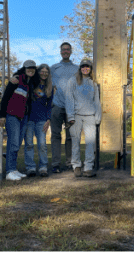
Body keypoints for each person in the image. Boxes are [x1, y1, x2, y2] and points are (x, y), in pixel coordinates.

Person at [0, 60, 38, 181]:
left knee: (18, 144)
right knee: (13, 143)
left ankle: (14, 169)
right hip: (12, 115)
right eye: (28, 68)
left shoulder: (30, 83)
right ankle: (9, 171)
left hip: (24, 117)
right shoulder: (16, 80)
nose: (31, 70)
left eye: (33, 68)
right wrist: (2, 115)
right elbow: (5, 97)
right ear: (24, 68)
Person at [64, 59, 101, 177]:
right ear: (80, 68)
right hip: (76, 116)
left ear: (90, 68)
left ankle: (88, 167)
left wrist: (97, 116)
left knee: (90, 143)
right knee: (75, 142)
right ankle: (76, 166)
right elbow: (69, 99)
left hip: (90, 116)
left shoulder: (93, 83)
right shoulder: (73, 81)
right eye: (83, 66)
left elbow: (97, 101)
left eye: (88, 66)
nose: (85, 68)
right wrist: (70, 116)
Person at [49, 42, 78, 174]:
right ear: (60, 52)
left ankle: (70, 162)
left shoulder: (77, 69)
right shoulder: (54, 68)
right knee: (55, 135)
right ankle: (55, 164)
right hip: (57, 106)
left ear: (71, 51)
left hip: (71, 108)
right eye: (63, 50)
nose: (65, 51)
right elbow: (40, 78)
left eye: (68, 49)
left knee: (70, 136)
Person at [24, 64, 55, 177]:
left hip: (42, 119)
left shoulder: (49, 87)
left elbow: (49, 105)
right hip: (29, 118)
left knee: (42, 144)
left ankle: (43, 167)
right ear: (38, 72)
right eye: (42, 71)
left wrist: (48, 119)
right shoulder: (31, 83)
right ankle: (30, 168)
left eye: (46, 72)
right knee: (29, 144)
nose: (44, 73)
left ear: (48, 74)